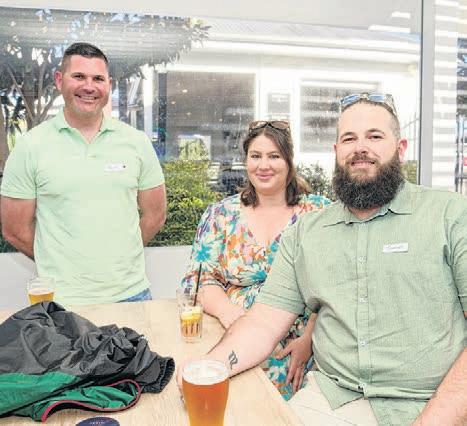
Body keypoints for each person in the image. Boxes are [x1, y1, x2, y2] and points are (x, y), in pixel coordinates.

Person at [178, 93, 467, 425]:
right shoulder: (307, 232)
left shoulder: (450, 216)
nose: (360, 148)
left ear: (400, 149)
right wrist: (211, 367)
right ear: (336, 151)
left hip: (435, 400)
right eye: (349, 139)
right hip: (333, 398)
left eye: (374, 136)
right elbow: (263, 324)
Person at [0, 43, 166, 306]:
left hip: (132, 295)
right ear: (59, 80)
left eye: (98, 79)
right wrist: (61, 264)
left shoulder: (137, 142)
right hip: (61, 300)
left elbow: (155, 215)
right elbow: (14, 230)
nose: (89, 86)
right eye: (79, 76)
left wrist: (122, 256)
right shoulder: (30, 146)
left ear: (109, 85)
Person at [180, 119, 330, 400]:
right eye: (256, 156)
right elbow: (198, 280)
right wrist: (229, 313)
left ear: (289, 161)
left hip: (297, 348)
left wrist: (309, 338)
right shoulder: (221, 215)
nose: (264, 165)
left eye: (274, 156)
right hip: (231, 337)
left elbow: (334, 283)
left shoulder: (318, 213)